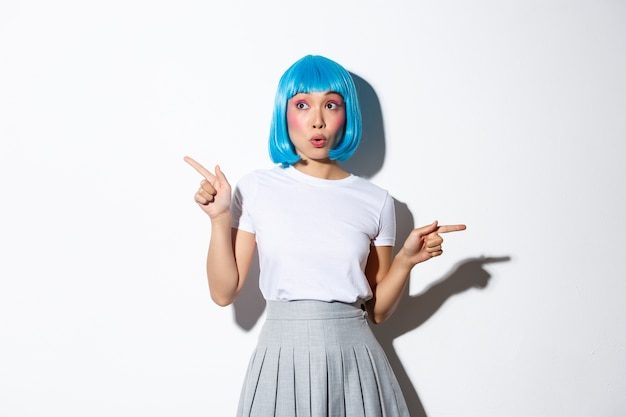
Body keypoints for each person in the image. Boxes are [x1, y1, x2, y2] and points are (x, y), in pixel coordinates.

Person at [184, 54, 466, 417]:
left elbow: (377, 312)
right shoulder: (256, 189)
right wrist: (220, 218)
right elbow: (224, 293)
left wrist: (407, 261)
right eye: (302, 104)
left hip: (355, 359)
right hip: (282, 355)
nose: (317, 120)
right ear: (284, 115)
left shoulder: (376, 201)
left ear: (346, 115)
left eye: (331, 104)